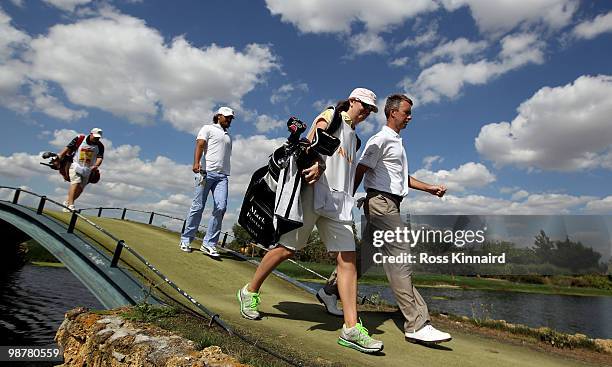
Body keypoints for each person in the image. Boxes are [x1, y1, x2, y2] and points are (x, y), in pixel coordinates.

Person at [237, 88, 384, 354]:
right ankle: (250, 291)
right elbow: (310, 141)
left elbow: (347, 172)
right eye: (363, 106)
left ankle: (351, 328)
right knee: (286, 250)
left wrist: (352, 197)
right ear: (352, 101)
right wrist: (318, 163)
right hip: (311, 194)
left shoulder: (356, 139)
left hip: (338, 204)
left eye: (370, 110)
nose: (366, 112)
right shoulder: (332, 115)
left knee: (347, 260)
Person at [316, 94, 452, 343]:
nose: (410, 117)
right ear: (393, 113)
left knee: (366, 257)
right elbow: (361, 168)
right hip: (381, 204)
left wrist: (430, 188)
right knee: (400, 257)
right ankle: (416, 323)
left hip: (389, 203)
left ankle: (330, 291)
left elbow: (401, 177)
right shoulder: (380, 139)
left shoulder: (395, 142)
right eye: (407, 112)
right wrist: (349, 197)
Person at [179, 107, 234, 258]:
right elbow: (200, 144)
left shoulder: (228, 136)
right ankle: (186, 239)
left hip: (222, 176)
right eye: (227, 117)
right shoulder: (207, 128)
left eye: (231, 118)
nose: (229, 120)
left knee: (221, 207)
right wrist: (196, 162)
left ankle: (209, 244)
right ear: (218, 116)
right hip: (206, 173)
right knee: (198, 207)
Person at [57, 128, 105, 212]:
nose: (97, 139)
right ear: (91, 134)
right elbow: (67, 148)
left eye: (98, 137)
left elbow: (100, 158)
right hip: (75, 165)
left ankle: (67, 202)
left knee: (80, 189)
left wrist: (96, 165)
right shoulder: (80, 138)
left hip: (88, 169)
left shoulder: (100, 146)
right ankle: (71, 205)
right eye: (95, 136)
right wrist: (59, 157)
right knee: (76, 182)